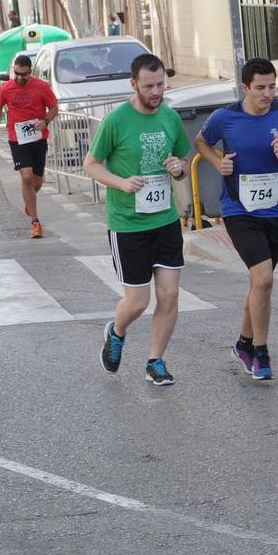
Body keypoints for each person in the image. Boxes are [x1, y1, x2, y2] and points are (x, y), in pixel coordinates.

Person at [194, 58, 278, 381]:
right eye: (260, 87)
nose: (267, 93)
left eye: (272, 86)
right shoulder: (225, 118)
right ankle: (260, 352)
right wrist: (219, 164)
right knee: (265, 279)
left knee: (258, 283)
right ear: (245, 87)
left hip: (273, 210)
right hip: (238, 210)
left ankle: (243, 344)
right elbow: (201, 141)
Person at [84, 53, 191, 387]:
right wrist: (121, 183)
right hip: (128, 223)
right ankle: (116, 332)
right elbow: (91, 163)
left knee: (170, 295)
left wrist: (179, 168)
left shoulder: (171, 118)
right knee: (138, 302)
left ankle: (155, 361)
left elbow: (183, 159)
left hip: (165, 220)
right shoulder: (116, 120)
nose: (156, 91)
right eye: (149, 86)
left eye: (160, 84)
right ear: (134, 85)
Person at [0, 54, 58, 238]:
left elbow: (54, 107)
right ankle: (35, 222)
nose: (20, 78)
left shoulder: (42, 87)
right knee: (26, 177)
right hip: (17, 138)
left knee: (36, 182)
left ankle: (30, 200)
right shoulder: (6, 88)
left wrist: (46, 120)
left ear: (31, 72)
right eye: (17, 73)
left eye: (24, 74)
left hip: (38, 138)